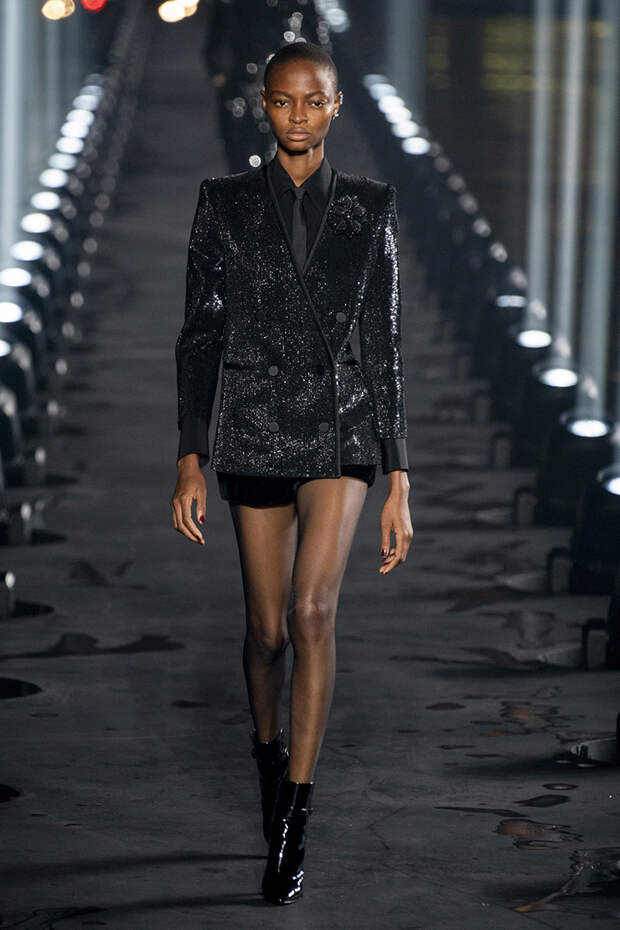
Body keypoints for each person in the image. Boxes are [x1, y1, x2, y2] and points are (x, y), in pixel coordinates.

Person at [171, 40, 414, 906]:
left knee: (313, 611)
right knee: (266, 632)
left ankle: (293, 822)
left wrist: (399, 477)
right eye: (284, 101)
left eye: (314, 101)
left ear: (336, 106)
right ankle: (269, 760)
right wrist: (191, 457)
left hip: (340, 428)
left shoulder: (371, 207)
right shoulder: (225, 203)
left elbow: (383, 343)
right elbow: (200, 333)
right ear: (264, 105)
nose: (299, 115)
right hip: (254, 425)